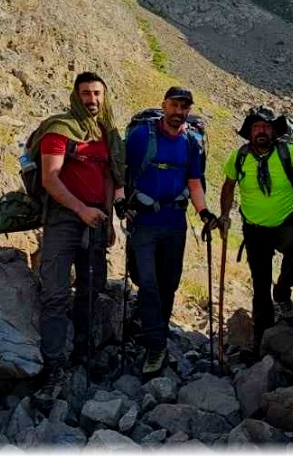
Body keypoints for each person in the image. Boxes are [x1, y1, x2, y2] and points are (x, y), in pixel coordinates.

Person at [33, 71, 126, 410]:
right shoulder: (60, 130)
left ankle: (86, 354)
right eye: (86, 93)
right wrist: (81, 209)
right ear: (76, 95)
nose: (92, 99)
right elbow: (50, 178)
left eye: (97, 93)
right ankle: (54, 366)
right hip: (63, 220)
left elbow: (106, 177)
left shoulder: (105, 133)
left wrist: (108, 218)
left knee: (91, 289)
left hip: (97, 221)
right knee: (55, 292)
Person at [119, 87, 218, 378]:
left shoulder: (191, 142)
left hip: (175, 222)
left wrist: (204, 213)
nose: (179, 112)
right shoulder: (141, 136)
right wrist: (119, 201)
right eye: (174, 105)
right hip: (144, 220)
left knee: (169, 283)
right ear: (164, 105)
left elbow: (194, 181)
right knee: (146, 281)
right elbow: (120, 170)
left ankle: (157, 333)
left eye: (184, 107)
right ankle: (155, 345)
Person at [217, 105, 293, 351]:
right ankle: (262, 332)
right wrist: (225, 215)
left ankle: (282, 291)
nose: (262, 131)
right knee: (260, 282)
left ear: (274, 132)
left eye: (266, 127)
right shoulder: (239, 157)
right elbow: (228, 186)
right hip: (254, 228)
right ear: (249, 132)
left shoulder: (286, 151)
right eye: (257, 126)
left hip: (286, 220)